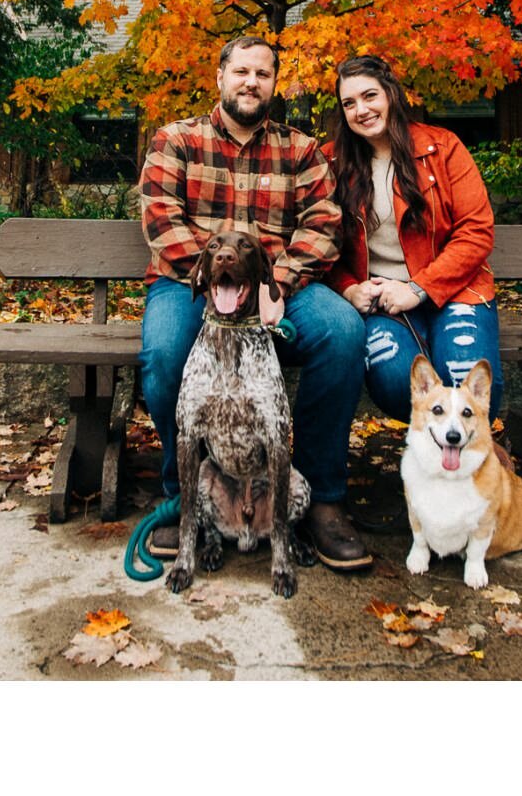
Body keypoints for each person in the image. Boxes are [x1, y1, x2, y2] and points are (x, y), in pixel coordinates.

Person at [138, 35, 373, 570]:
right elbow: (162, 221)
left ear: (274, 83)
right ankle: (185, 495)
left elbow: (323, 224)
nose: (251, 83)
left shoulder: (301, 150)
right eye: (241, 71)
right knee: (166, 352)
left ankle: (319, 498)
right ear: (219, 77)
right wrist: (220, 284)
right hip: (189, 282)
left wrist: (276, 284)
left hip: (275, 286)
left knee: (343, 332)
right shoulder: (176, 140)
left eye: (262, 74)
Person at [324, 55, 502, 422]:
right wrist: (348, 290)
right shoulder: (331, 164)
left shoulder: (443, 147)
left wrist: (418, 288)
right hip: (382, 302)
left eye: (370, 95)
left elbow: (476, 230)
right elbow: (319, 242)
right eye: (349, 103)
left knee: (467, 383)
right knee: (396, 383)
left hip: (453, 290)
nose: (361, 110)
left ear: (390, 93)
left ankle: (466, 461)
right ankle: (459, 456)